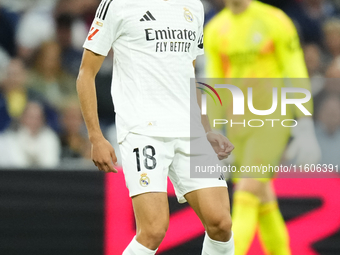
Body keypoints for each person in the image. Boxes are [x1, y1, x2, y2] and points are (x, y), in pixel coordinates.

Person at [76, 0, 235, 254]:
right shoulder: (117, 5)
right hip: (143, 130)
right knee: (153, 230)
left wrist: (206, 129)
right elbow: (86, 73)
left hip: (189, 130)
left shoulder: (193, 6)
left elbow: (188, 74)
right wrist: (95, 137)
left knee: (221, 223)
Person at [204, 0, 321, 255]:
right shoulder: (214, 29)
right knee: (263, 197)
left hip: (271, 119)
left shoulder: (274, 20)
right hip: (237, 124)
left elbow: (295, 69)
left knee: (246, 191)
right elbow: (214, 82)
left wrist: (305, 121)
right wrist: (212, 131)